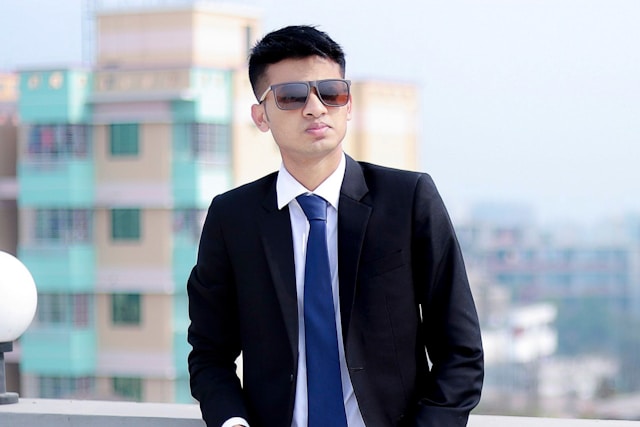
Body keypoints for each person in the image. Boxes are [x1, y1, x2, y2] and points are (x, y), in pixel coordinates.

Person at [187, 25, 484, 427]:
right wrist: (232, 423)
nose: (315, 108)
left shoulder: (408, 199)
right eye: (291, 96)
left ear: (349, 106)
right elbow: (209, 353)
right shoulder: (232, 217)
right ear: (261, 116)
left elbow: (461, 351)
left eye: (331, 92)